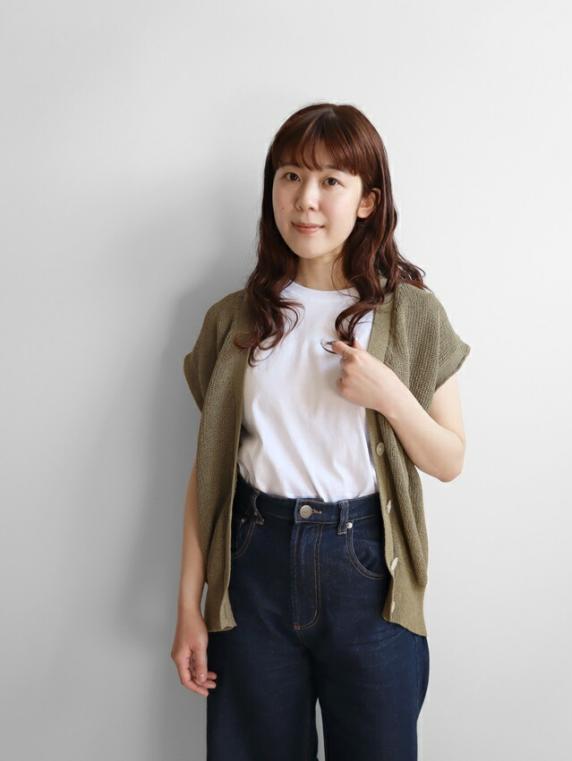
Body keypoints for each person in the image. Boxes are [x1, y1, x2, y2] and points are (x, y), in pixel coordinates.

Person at [170, 102, 471, 761]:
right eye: (290, 176)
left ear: (367, 201)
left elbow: (449, 459)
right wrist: (191, 605)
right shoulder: (232, 320)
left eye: (331, 180)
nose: (305, 199)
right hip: (252, 567)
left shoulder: (412, 314)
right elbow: (209, 471)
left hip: (367, 573)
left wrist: (390, 396)